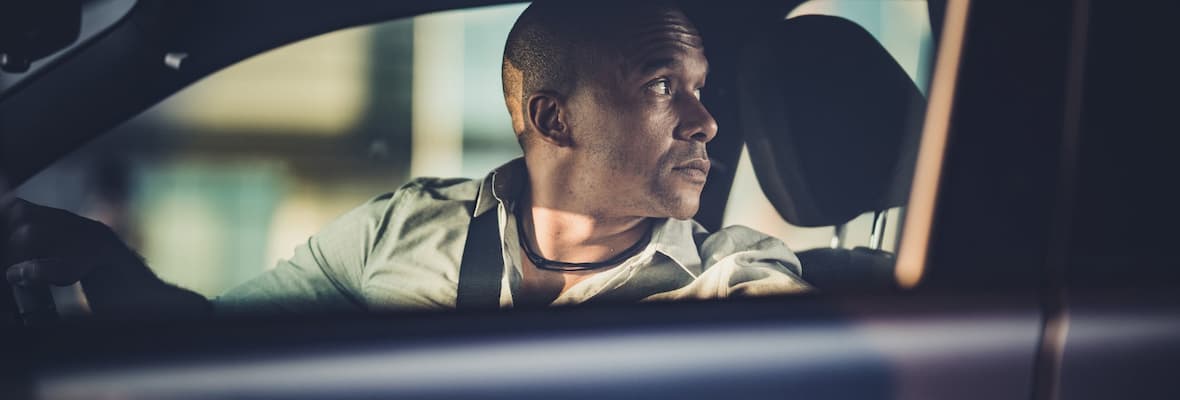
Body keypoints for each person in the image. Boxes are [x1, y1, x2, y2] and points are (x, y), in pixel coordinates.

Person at [1, 0, 809, 318]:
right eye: (665, 86)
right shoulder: (402, 228)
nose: (706, 121)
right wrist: (106, 263)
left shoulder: (737, 285)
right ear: (552, 117)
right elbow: (216, 342)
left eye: (701, 89)